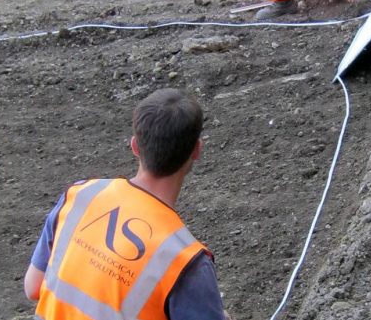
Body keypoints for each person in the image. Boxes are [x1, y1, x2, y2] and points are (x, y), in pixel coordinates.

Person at [24, 88, 227, 320]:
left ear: (135, 146)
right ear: (197, 150)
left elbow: (33, 287)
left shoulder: (81, 195)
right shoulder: (185, 261)